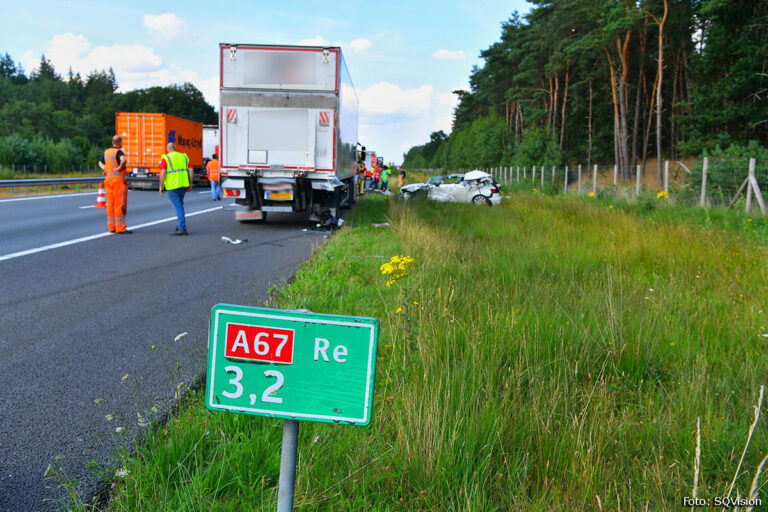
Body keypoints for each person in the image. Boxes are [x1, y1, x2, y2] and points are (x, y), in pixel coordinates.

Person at [158, 142, 193, 235]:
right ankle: (180, 225)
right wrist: (191, 183)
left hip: (172, 186)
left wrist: (161, 186)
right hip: (183, 185)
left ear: (167, 149)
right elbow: (191, 170)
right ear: (175, 148)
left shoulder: (166, 158)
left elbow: (163, 173)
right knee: (180, 205)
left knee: (178, 206)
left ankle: (182, 228)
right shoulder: (184, 156)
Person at [98, 135, 131, 234]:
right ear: (120, 143)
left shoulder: (106, 152)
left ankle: (112, 227)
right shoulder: (118, 152)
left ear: (113, 142)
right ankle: (120, 228)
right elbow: (124, 160)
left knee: (110, 204)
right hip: (118, 181)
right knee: (119, 204)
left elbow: (100, 162)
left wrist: (105, 168)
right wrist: (120, 167)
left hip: (108, 180)